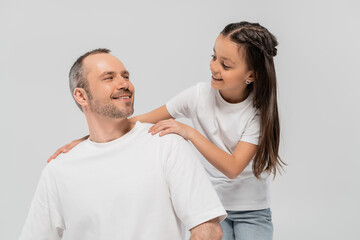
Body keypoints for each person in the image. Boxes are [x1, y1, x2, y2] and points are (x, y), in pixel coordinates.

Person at [49, 21, 285, 240]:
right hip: (212, 207)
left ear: (251, 75)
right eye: (214, 57)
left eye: (225, 65)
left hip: (252, 212)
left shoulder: (257, 112)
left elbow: (233, 168)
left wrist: (189, 132)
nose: (214, 67)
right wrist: (86, 140)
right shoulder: (198, 96)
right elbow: (137, 121)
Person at [20, 49, 227, 240]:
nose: (124, 84)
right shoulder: (59, 170)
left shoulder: (167, 145)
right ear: (81, 95)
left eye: (125, 76)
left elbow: (207, 229)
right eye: (109, 78)